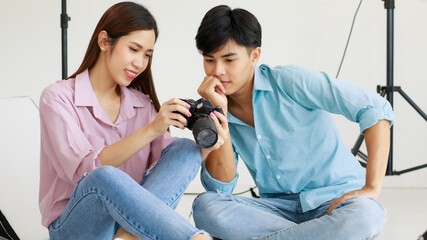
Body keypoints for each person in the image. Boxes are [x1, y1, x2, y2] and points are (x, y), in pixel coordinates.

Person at [191, 5, 394, 240]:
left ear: (254, 56)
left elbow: (375, 108)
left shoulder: (290, 81)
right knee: (206, 207)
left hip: (336, 201)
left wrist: (372, 186)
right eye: (209, 60)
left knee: (365, 216)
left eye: (229, 59)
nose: (218, 71)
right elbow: (221, 188)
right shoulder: (212, 106)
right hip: (277, 212)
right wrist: (218, 112)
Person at [38, 2, 227, 240]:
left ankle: (128, 238)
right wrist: (151, 129)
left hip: (128, 223)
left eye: (147, 55)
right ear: (104, 41)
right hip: (77, 226)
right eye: (134, 49)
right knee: (103, 176)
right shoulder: (57, 98)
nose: (140, 63)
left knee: (185, 149)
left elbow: (169, 175)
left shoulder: (142, 104)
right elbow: (84, 172)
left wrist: (210, 140)